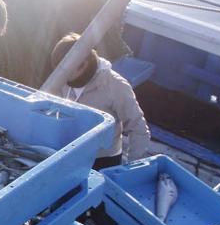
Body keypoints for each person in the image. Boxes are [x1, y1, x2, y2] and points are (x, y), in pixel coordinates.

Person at [49, 32, 149, 169]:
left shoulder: (116, 86)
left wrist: (133, 168)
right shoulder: (60, 77)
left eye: (67, 73)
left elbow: (138, 128)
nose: (63, 78)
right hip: (67, 152)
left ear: (84, 65)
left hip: (102, 159)